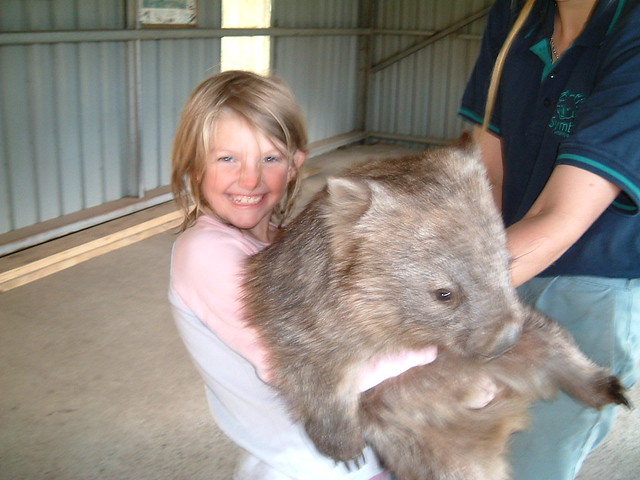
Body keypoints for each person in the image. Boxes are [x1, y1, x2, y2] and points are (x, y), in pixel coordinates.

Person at [168, 70, 392, 479]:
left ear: (294, 166)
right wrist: (438, 343)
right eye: (227, 158)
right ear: (195, 164)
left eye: (269, 158)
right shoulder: (203, 253)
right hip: (310, 465)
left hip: (343, 453)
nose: (249, 179)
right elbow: (304, 366)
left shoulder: (285, 245)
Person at [459, 0, 640, 479]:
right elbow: (487, 174)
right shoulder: (517, 15)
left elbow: (559, 216)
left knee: (532, 461)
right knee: (464, 438)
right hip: (504, 259)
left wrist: (437, 307)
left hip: (593, 280)